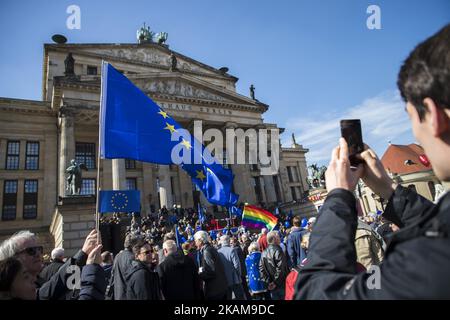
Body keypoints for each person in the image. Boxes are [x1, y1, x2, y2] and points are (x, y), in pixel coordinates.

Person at [295, 24, 450, 299]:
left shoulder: (424, 262)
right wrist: (390, 192)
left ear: (434, 116)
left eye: (411, 118)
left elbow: (315, 292)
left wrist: (338, 197)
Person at [0, 229, 100, 300]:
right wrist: (91, 267)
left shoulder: (40, 282)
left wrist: (83, 254)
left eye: (39, 249)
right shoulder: (24, 292)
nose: (38, 254)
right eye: (31, 251)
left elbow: (59, 280)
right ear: (12, 259)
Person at [107, 233, 144, 300]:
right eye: (139, 246)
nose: (140, 248)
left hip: (118, 295)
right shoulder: (133, 259)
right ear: (134, 246)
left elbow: (112, 276)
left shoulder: (118, 256)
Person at [194, 230, 228, 300]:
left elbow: (211, 271)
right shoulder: (210, 248)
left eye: (196, 240)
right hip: (221, 286)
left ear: (200, 241)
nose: (195, 243)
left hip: (215, 288)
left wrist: (199, 274)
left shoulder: (206, 251)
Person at [259, 231, 289, 300]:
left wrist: (269, 282)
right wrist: (272, 283)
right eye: (278, 237)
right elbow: (281, 268)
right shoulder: (278, 250)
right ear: (274, 239)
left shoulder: (264, 252)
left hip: (273, 284)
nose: (280, 239)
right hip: (280, 284)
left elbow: (261, 269)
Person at [217, 235, 246, 300]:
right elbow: (237, 264)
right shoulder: (232, 250)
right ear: (228, 241)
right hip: (234, 278)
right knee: (240, 297)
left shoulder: (218, 252)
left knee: (228, 297)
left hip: (224, 278)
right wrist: (239, 275)